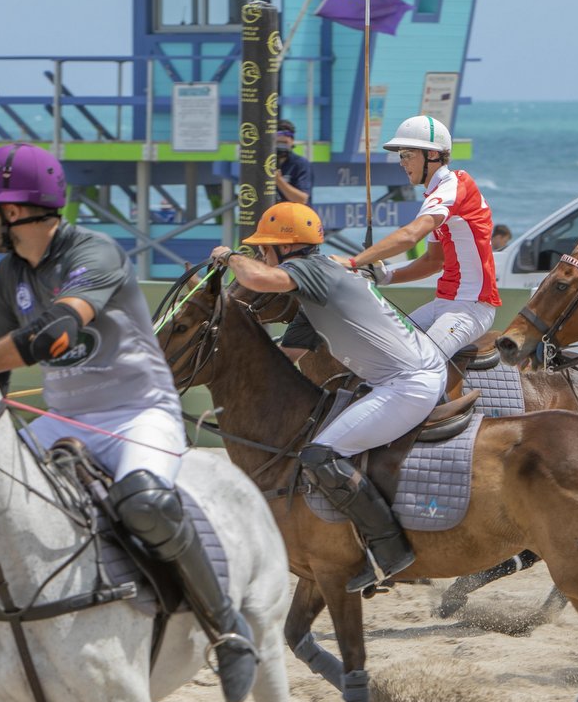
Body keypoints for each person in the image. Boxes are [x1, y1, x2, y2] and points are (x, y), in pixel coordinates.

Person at [0, 143, 257, 702]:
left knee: (144, 500)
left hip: (137, 411)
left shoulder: (94, 252)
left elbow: (54, 334)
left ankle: (226, 629)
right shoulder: (9, 274)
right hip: (64, 417)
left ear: (20, 210)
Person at [215, 202, 447, 592]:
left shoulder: (310, 269)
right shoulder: (317, 287)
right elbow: (287, 357)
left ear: (285, 249)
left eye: (263, 248)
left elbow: (259, 280)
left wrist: (230, 256)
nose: (259, 255)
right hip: (398, 379)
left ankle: (390, 553)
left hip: (408, 383)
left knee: (321, 453)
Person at [345, 116, 501, 358]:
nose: (402, 162)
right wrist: (384, 276)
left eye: (408, 154)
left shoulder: (452, 188)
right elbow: (433, 261)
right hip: (444, 303)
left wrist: (354, 262)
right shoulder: (437, 193)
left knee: (420, 363)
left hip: (471, 308)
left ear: (433, 155)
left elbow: (410, 236)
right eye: (401, 155)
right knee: (384, 352)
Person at [274, 119, 313, 206]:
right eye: (279, 143)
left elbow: (302, 200)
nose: (281, 147)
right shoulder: (267, 164)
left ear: (292, 142)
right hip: (273, 216)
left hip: (295, 216)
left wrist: (278, 180)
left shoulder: (301, 164)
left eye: (284, 143)